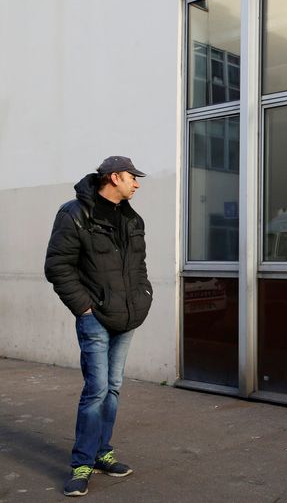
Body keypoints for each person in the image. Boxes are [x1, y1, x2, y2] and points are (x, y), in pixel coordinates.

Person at [44, 156, 152, 497]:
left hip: (128, 316)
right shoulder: (75, 214)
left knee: (114, 387)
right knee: (96, 390)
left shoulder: (132, 219)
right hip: (95, 319)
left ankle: (102, 452)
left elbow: (139, 266)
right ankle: (82, 463)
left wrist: (144, 295)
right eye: (132, 177)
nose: (136, 184)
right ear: (114, 177)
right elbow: (57, 266)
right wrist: (85, 309)